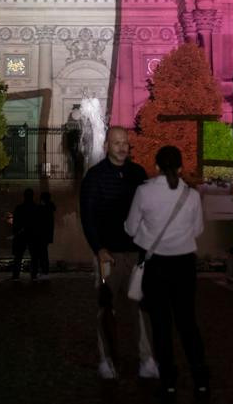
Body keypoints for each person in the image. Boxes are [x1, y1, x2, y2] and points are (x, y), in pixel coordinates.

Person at [125, 145, 209, 399]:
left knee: (160, 325)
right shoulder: (191, 195)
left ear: (156, 166)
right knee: (187, 323)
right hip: (184, 265)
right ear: (181, 168)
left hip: (156, 266)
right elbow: (198, 230)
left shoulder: (144, 192)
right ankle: (200, 379)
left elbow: (131, 229)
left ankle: (169, 381)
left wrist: (147, 234)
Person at [79, 124, 152, 381]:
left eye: (125, 143)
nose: (122, 147)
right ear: (106, 146)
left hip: (135, 253)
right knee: (106, 308)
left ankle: (146, 359)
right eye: (116, 143)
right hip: (107, 254)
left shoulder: (138, 173)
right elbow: (87, 217)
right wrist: (98, 248)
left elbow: (148, 213)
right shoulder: (94, 176)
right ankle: (106, 360)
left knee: (142, 308)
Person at [10, 188, 36, 279]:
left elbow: (15, 222)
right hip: (32, 234)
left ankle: (16, 274)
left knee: (18, 255)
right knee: (34, 255)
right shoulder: (36, 208)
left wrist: (15, 232)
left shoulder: (19, 208)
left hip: (21, 234)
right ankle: (33, 274)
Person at [32, 192, 56, 278]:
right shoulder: (50, 208)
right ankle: (45, 271)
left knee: (41, 253)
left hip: (40, 234)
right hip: (47, 234)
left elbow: (38, 221)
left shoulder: (42, 208)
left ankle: (43, 270)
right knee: (44, 252)